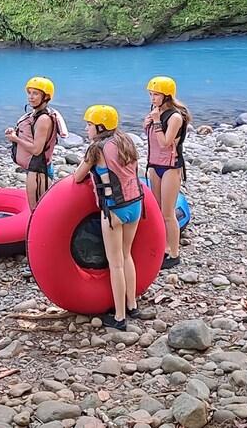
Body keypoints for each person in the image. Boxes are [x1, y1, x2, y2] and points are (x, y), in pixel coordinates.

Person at [73, 105, 143, 330]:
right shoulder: (126, 141)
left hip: (114, 209)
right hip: (136, 204)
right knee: (127, 255)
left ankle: (120, 317)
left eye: (89, 125)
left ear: (100, 127)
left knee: (115, 264)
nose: (86, 128)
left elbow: (78, 176)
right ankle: (132, 305)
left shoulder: (96, 149)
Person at [144, 76, 191, 269]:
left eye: (156, 95)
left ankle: (174, 252)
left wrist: (155, 122)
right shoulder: (156, 112)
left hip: (171, 167)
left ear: (167, 96)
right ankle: (161, 247)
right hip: (154, 165)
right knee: (156, 208)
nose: (152, 98)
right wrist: (149, 121)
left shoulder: (175, 117)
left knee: (167, 212)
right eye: (151, 94)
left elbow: (165, 142)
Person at [6, 76, 60, 210]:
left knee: (37, 210)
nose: (30, 97)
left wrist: (16, 139)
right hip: (37, 170)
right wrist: (16, 133)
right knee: (38, 210)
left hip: (39, 172)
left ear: (46, 97)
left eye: (35, 93)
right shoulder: (35, 115)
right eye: (29, 93)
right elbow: (30, 135)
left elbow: (37, 150)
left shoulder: (43, 119)